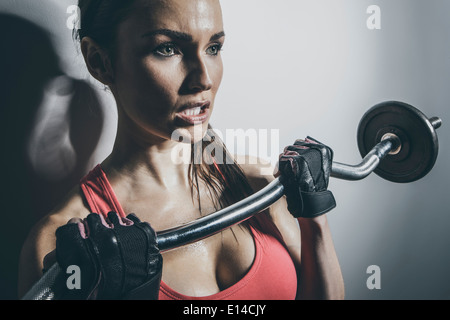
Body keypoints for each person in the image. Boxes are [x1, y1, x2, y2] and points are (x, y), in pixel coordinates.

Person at [18, 0, 345, 300]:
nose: (203, 79)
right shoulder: (62, 242)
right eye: (168, 48)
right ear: (100, 61)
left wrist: (315, 220)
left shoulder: (258, 184)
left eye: (214, 47)